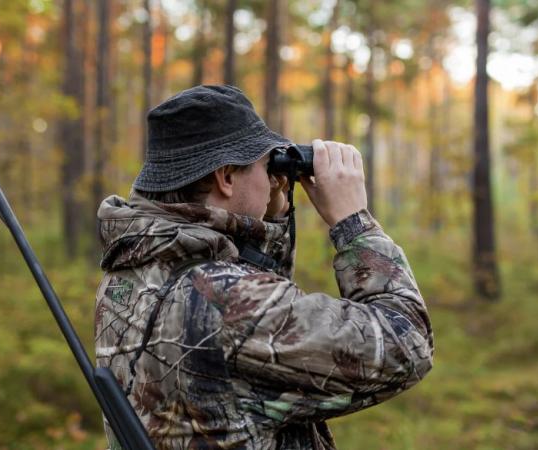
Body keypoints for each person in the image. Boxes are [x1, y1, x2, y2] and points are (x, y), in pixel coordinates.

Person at [94, 85, 433, 449]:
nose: (274, 178)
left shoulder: (129, 274)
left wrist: (270, 217)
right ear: (225, 177)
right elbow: (407, 345)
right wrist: (353, 223)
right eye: (264, 164)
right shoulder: (226, 300)